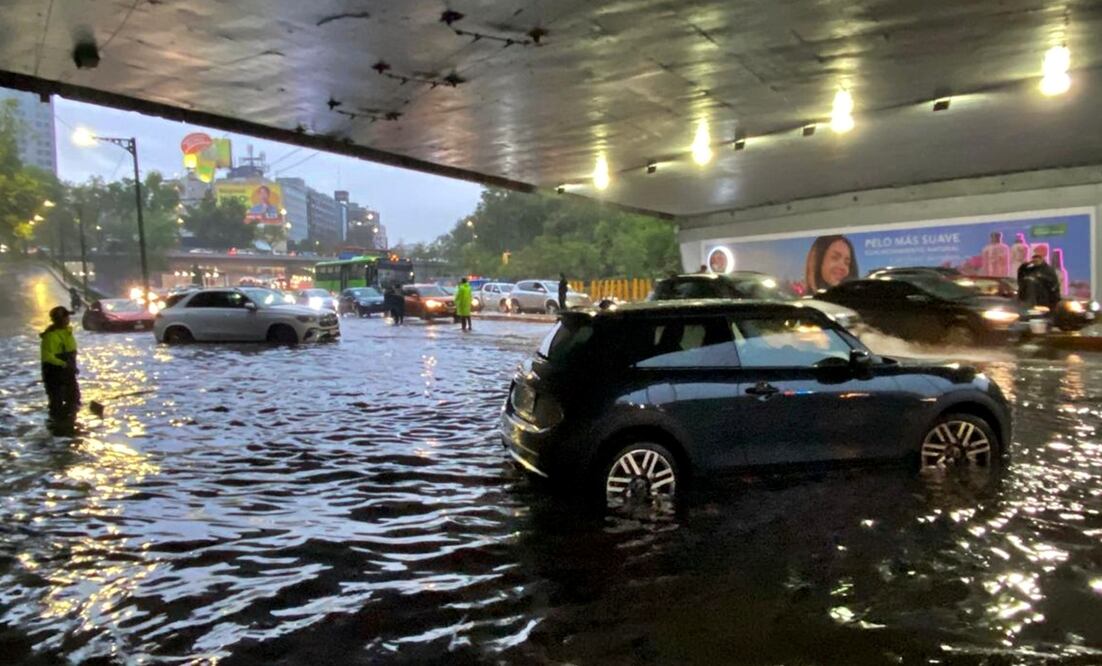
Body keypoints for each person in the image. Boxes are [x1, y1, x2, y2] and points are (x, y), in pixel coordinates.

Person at [41, 306, 80, 422]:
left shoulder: (67, 332)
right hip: (54, 374)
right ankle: (57, 429)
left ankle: (71, 425)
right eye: (66, 317)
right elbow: (47, 357)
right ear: (60, 320)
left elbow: (71, 352)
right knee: (56, 403)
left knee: (73, 399)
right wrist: (64, 364)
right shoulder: (50, 336)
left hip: (68, 372)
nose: (69, 319)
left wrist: (72, 366)